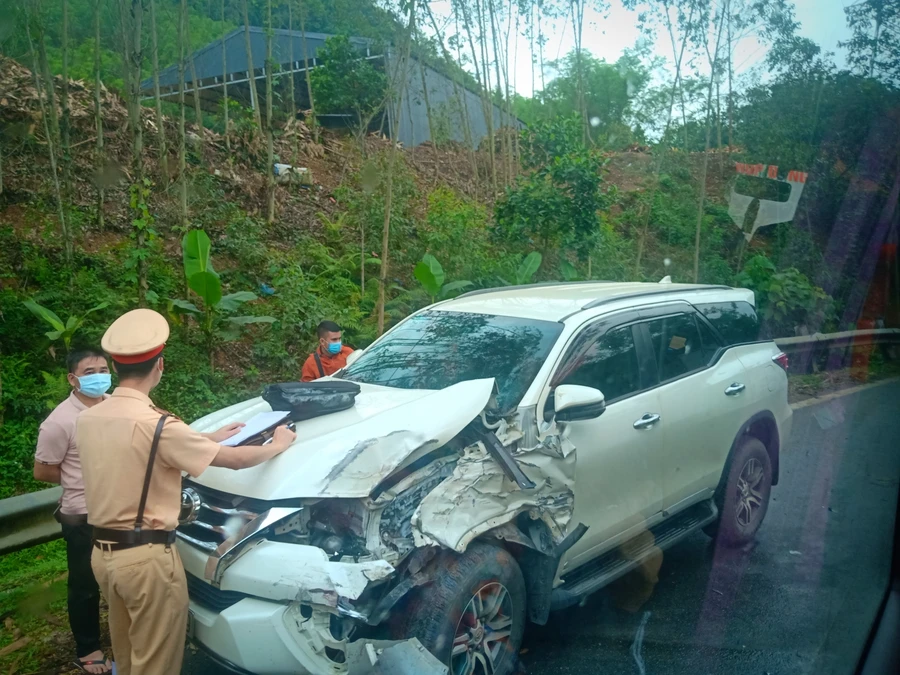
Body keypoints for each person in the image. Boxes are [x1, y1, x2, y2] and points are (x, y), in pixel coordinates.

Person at [76, 309, 297, 675]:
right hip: (145, 560)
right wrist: (277, 445)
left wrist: (207, 438)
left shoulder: (90, 417)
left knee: (128, 654)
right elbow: (237, 461)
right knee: (156, 663)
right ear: (159, 365)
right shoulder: (159, 425)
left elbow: (136, 450)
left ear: (115, 368)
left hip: (103, 554)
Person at [33, 348, 113, 675]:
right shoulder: (60, 421)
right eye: (89, 370)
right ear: (72, 378)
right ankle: (88, 649)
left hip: (118, 508)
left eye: (103, 369)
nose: (98, 376)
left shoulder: (115, 406)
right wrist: (83, 479)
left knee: (121, 576)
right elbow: (43, 470)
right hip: (82, 514)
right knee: (85, 584)